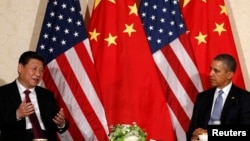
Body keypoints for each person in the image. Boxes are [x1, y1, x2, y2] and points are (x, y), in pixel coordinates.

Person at [0, 51, 68, 141]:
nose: (38, 74)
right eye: (34, 69)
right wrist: (17, 114)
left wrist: (61, 123)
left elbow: (59, 125)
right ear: (20, 68)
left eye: (41, 70)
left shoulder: (47, 95)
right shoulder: (3, 92)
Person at [186, 53, 250, 141]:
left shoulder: (244, 98)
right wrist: (193, 137)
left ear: (229, 75)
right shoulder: (202, 97)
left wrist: (211, 134)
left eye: (216, 71)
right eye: (211, 69)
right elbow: (192, 130)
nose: (211, 74)